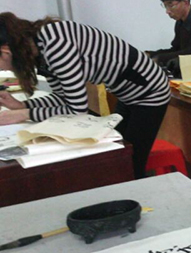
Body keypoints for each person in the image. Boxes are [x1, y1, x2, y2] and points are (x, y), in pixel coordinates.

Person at [0, 12, 170, 179]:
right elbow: (62, 97)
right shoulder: (41, 49)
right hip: (127, 94)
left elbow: (77, 109)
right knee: (117, 157)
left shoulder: (55, 44)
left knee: (130, 164)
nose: (1, 69)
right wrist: (22, 106)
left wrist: (24, 114)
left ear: (5, 50)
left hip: (150, 92)